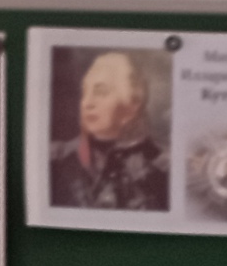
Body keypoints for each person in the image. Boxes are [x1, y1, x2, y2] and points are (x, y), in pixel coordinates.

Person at [47, 48, 171, 213]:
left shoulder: (166, 166)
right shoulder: (55, 159)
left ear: (134, 101)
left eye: (101, 92)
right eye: (85, 92)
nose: (87, 103)